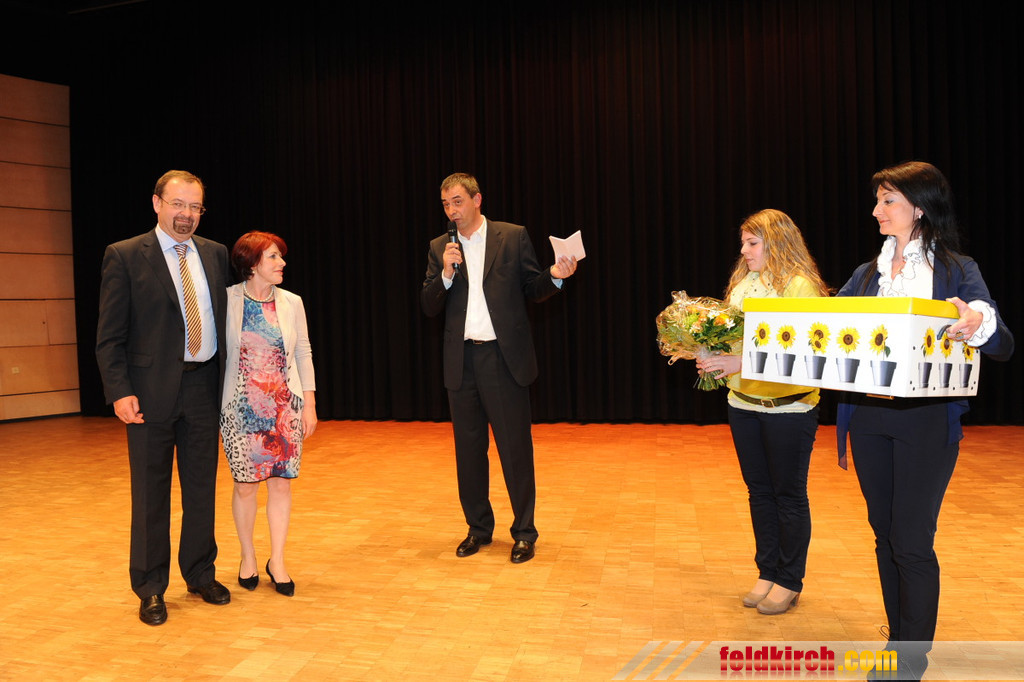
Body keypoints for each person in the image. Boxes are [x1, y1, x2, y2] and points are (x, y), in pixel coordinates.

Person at [836, 161, 1013, 679]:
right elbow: (826, 328)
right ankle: (899, 641)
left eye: (887, 200)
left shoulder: (957, 269)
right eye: (878, 200)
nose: (876, 210)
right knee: (884, 534)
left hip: (927, 421)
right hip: (868, 416)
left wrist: (977, 322)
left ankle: (910, 659)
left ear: (919, 207)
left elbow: (1002, 343)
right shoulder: (865, 275)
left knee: (911, 539)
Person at [96, 170, 231, 626]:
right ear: (157, 203)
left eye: (195, 206)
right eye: (178, 204)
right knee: (150, 494)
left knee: (201, 490)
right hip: (149, 394)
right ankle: (150, 586)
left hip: (203, 387)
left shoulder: (215, 253)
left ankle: (200, 573)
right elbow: (109, 336)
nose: (186, 214)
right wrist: (120, 391)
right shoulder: (125, 255)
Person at [421, 172, 578, 564]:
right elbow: (428, 304)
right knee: (469, 451)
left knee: (514, 448)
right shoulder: (441, 247)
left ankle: (524, 532)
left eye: (458, 202)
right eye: (446, 204)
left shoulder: (512, 236)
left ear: (477, 200)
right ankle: (478, 528)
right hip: (461, 362)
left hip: (503, 359)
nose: (452, 211)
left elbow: (532, 287)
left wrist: (555, 277)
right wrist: (445, 274)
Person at [697, 209, 829, 615]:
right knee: (759, 493)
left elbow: (805, 351)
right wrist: (707, 353)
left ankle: (789, 580)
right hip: (743, 404)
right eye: (743, 242)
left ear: (778, 243)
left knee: (788, 496)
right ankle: (767, 572)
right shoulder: (743, 285)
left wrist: (741, 363)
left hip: (789, 408)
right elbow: (730, 338)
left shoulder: (801, 287)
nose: (744, 250)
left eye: (752, 243)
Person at [220, 231, 316, 597]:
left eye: (280, 256)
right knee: (245, 487)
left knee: (281, 483)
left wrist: (309, 403)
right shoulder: (227, 300)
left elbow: (303, 351)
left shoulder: (292, 302)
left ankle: (278, 561)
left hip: (283, 408)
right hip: (240, 409)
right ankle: (248, 557)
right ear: (252, 262)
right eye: (274, 256)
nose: (282, 263)